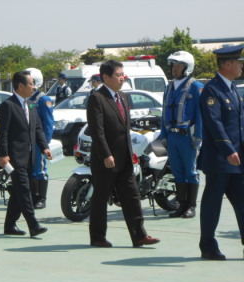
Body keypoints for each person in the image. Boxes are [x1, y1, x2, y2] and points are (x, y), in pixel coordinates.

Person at [86, 60, 160, 248]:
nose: (122, 78)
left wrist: (131, 153)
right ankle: (98, 237)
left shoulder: (124, 97)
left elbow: (124, 129)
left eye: (122, 74)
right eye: (118, 75)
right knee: (101, 198)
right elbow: (97, 131)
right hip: (106, 159)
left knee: (132, 196)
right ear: (106, 77)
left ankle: (139, 236)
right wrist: (106, 154)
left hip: (125, 157)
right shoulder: (97, 98)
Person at [198, 44, 244, 260]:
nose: (241, 66)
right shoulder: (212, 90)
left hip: (237, 159)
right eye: (238, 62)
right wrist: (228, 150)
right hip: (220, 160)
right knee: (212, 204)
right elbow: (214, 123)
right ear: (227, 64)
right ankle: (208, 246)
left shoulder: (233, 88)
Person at [0, 70, 52, 237]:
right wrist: (3, 154)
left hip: (29, 156)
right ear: (20, 86)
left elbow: (37, 129)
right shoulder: (8, 105)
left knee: (18, 191)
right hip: (14, 157)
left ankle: (9, 226)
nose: (34, 87)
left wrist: (44, 147)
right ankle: (33, 224)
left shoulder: (31, 104)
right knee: (24, 190)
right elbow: (3, 132)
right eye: (31, 84)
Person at [158, 51, 203, 219]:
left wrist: (198, 136)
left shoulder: (196, 87)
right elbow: (164, 113)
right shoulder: (168, 87)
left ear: (187, 67)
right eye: (173, 65)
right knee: (177, 172)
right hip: (172, 136)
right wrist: (164, 135)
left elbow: (200, 114)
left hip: (187, 137)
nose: (174, 69)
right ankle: (181, 205)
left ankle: (191, 206)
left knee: (190, 171)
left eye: (178, 65)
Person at [25, 67, 54, 209]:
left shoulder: (43, 99)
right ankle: (31, 195)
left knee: (39, 169)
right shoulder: (25, 98)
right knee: (28, 169)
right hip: (25, 141)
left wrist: (45, 145)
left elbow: (48, 123)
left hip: (38, 141)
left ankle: (41, 198)